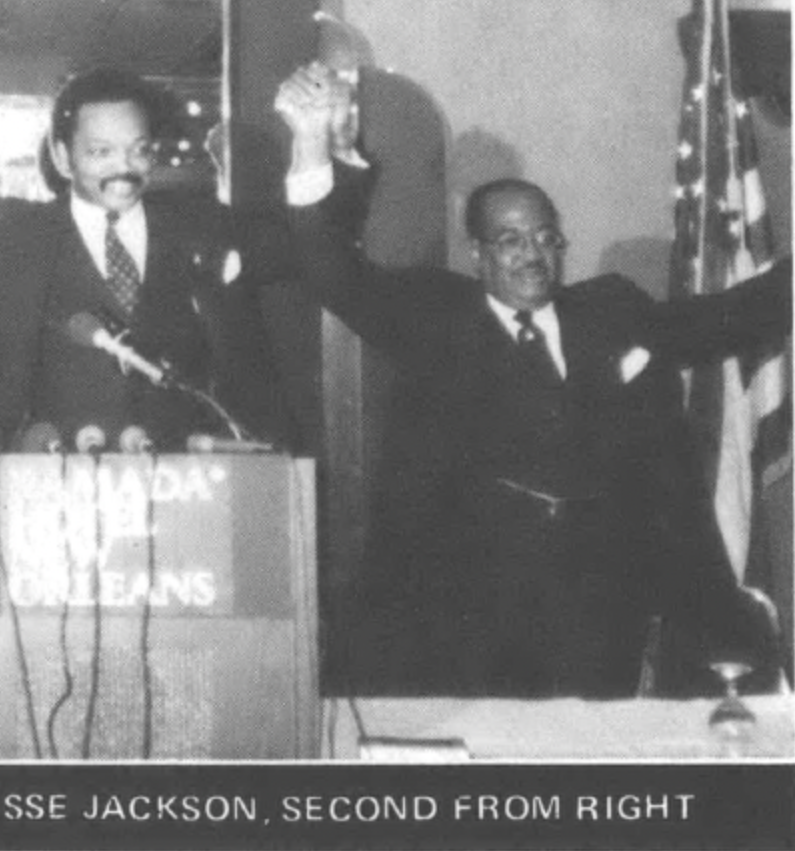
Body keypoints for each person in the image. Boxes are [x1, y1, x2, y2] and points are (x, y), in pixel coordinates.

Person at [276, 63, 791, 697]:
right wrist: (308, 143)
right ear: (479, 254)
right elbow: (333, 275)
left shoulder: (610, 311)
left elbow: (724, 320)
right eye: (511, 239)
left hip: (597, 613)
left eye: (546, 238)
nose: (532, 255)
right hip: (468, 618)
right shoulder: (433, 316)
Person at [0, 65, 370, 453]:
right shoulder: (10, 232)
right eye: (100, 152)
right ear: (62, 158)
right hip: (36, 495)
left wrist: (319, 146)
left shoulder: (202, 224)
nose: (123, 168)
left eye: (138, 150)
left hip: (192, 498)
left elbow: (309, 250)